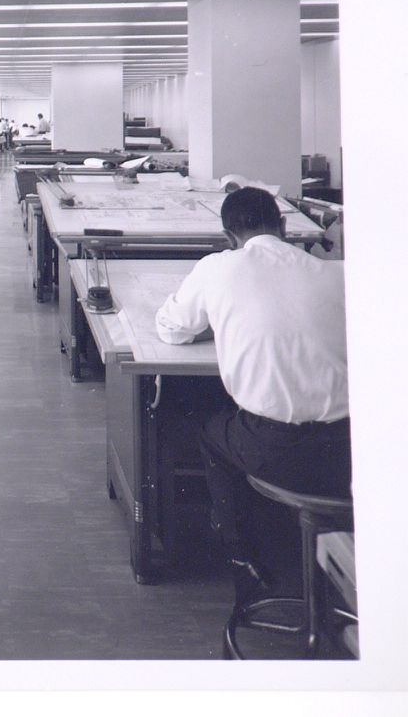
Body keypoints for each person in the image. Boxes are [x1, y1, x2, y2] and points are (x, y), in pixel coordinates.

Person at [154, 187, 349, 599]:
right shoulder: (336, 273)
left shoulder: (217, 268)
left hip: (276, 450)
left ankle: (243, 554)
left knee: (212, 431)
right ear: (283, 227)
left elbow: (172, 328)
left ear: (229, 237)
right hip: (349, 452)